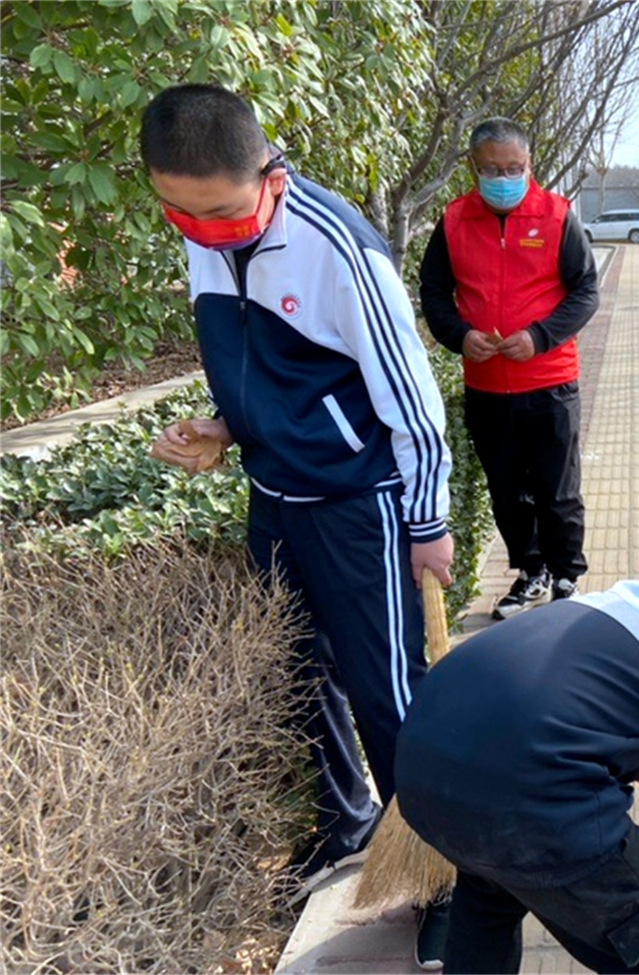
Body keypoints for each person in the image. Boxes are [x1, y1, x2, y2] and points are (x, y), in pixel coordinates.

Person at [139, 84, 455, 930]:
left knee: (388, 690)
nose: (203, 230)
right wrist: (225, 428)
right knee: (293, 672)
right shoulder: (205, 230)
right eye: (180, 212)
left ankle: (443, 873)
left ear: (266, 170)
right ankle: (348, 819)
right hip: (274, 495)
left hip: (362, 503)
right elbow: (270, 373)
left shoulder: (335, 245)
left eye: (220, 212)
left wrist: (428, 521)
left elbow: (413, 400)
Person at [393, 529, 639, 975]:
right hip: (530, 805)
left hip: (425, 776)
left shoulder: (597, 607)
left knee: (490, 893)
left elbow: (588, 728)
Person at [420, 117, 597, 620]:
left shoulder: (558, 216)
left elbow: (586, 291)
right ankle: (531, 571)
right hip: (486, 385)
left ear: (530, 165)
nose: (504, 177)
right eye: (493, 168)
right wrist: (459, 336)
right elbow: (433, 291)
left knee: (558, 488)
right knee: (505, 488)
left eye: (514, 167)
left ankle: (567, 576)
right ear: (474, 168)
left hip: (549, 381)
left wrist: (539, 336)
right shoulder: (454, 221)